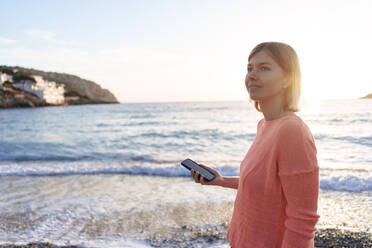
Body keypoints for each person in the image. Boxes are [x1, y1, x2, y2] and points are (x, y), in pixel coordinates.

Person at [190, 42, 320, 247]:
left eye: (264, 68)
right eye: (249, 68)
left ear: (288, 79)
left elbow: (303, 219)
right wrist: (221, 180)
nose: (252, 75)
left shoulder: (292, 130)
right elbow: (268, 186)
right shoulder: (265, 125)